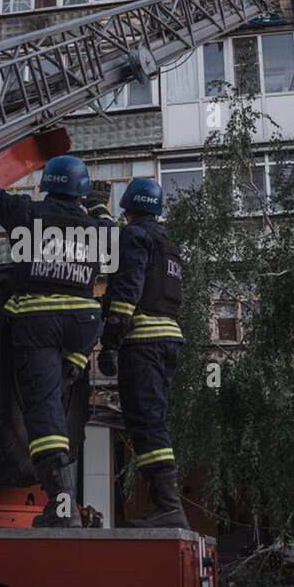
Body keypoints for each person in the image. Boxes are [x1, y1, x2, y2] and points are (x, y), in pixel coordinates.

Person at [0, 144, 112, 528]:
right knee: (61, 394)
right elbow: (115, 234)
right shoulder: (98, 232)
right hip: (82, 324)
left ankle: (62, 507)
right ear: (80, 191)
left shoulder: (29, 215)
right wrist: (98, 207)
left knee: (42, 411)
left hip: (39, 321)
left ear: (47, 186)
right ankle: (72, 371)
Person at [98, 178, 189, 528]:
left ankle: (168, 507)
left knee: (146, 423)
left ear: (128, 207)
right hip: (169, 340)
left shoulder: (134, 237)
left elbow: (127, 290)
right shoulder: (166, 243)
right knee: (153, 421)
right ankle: (163, 506)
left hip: (144, 343)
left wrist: (109, 340)